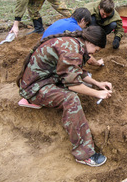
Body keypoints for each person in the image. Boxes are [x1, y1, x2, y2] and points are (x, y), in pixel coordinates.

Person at [16, 26, 113, 167]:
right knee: (71, 99)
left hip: (42, 80)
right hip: (34, 88)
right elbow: (73, 84)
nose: (94, 53)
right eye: (96, 50)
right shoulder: (72, 49)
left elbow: (75, 70)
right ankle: (84, 154)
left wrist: (97, 83)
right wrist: (98, 93)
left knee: (81, 88)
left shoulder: (76, 42)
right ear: (91, 43)